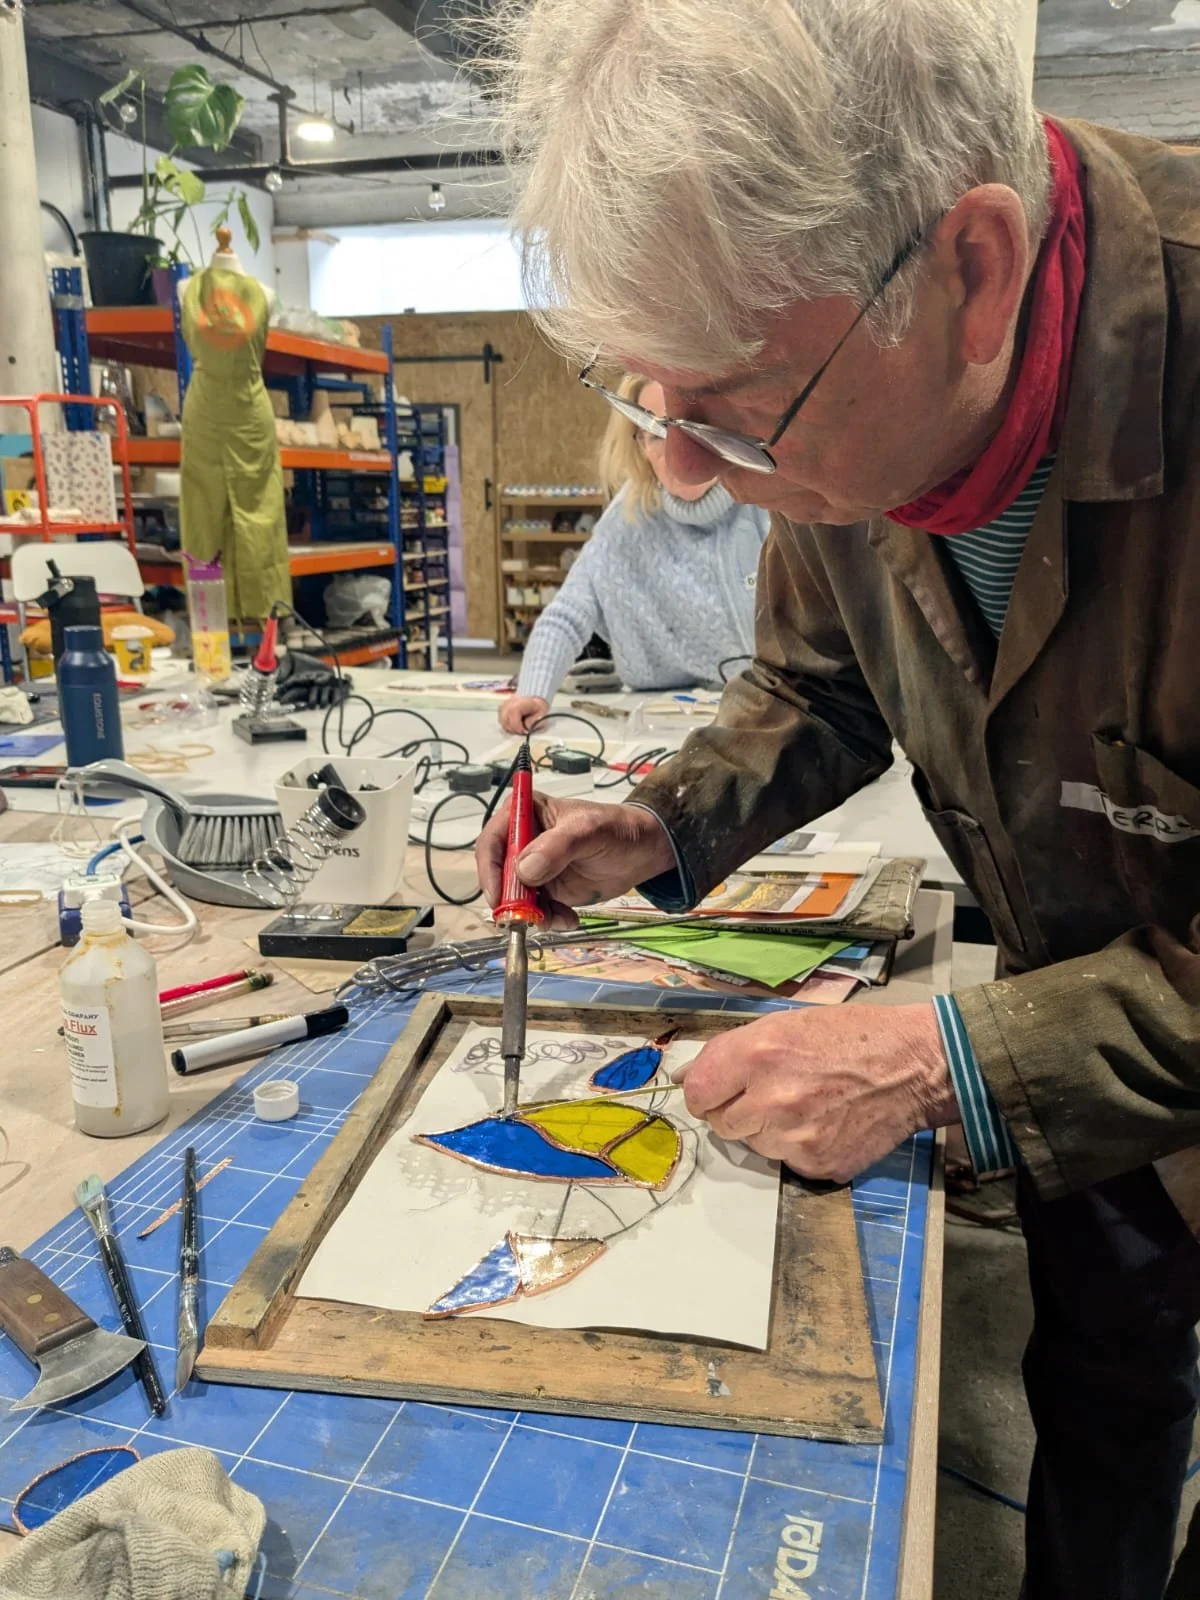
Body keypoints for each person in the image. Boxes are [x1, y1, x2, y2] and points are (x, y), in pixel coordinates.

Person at [476, 2, 1200, 1595]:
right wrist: (666, 821)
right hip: (1087, 1060)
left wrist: (945, 1055)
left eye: (731, 405)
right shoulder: (839, 403)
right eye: (654, 401)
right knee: (1102, 1402)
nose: (699, 466)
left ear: (977, 271)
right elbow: (820, 683)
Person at [499, 375, 768, 733]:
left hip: (765, 715)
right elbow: (568, 613)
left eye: (692, 430)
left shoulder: (769, 505)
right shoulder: (628, 517)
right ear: (640, 446)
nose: (676, 452)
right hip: (655, 719)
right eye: (656, 434)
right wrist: (532, 692)